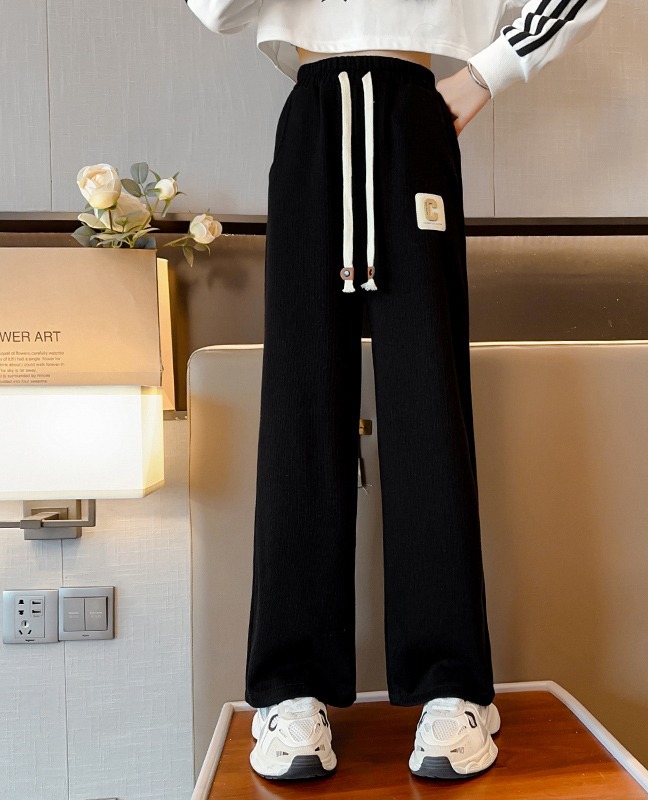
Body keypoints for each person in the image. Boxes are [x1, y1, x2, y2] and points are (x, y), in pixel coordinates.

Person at [185, 0, 607, 782]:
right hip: (314, 114)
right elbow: (216, 9)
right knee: (302, 408)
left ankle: (453, 686)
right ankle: (290, 688)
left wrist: (492, 69)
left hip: (416, 115)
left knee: (427, 406)